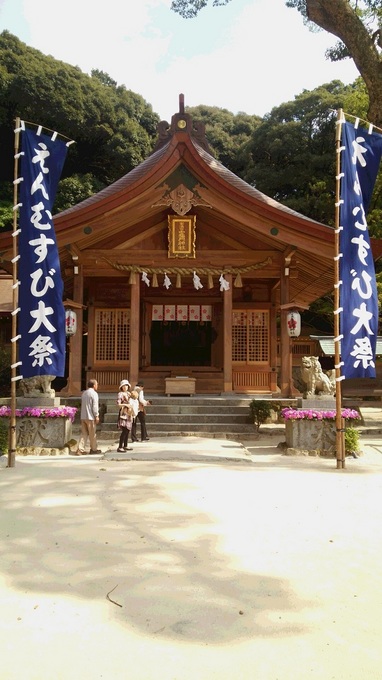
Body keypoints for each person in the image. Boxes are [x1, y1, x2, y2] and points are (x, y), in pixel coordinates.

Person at [75, 379, 101, 455]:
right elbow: (95, 406)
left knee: (84, 433)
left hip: (83, 416)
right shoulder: (94, 394)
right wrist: (96, 415)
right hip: (90, 416)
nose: (97, 386)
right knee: (92, 434)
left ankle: (80, 449)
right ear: (94, 385)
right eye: (96, 384)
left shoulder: (84, 393)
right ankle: (93, 449)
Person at [117, 379, 133, 452]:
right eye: (123, 386)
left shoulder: (129, 393)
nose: (125, 387)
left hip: (129, 413)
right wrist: (126, 404)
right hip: (123, 413)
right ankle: (120, 446)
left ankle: (125, 445)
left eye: (126, 385)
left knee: (128, 429)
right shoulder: (120, 394)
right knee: (125, 430)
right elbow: (118, 405)